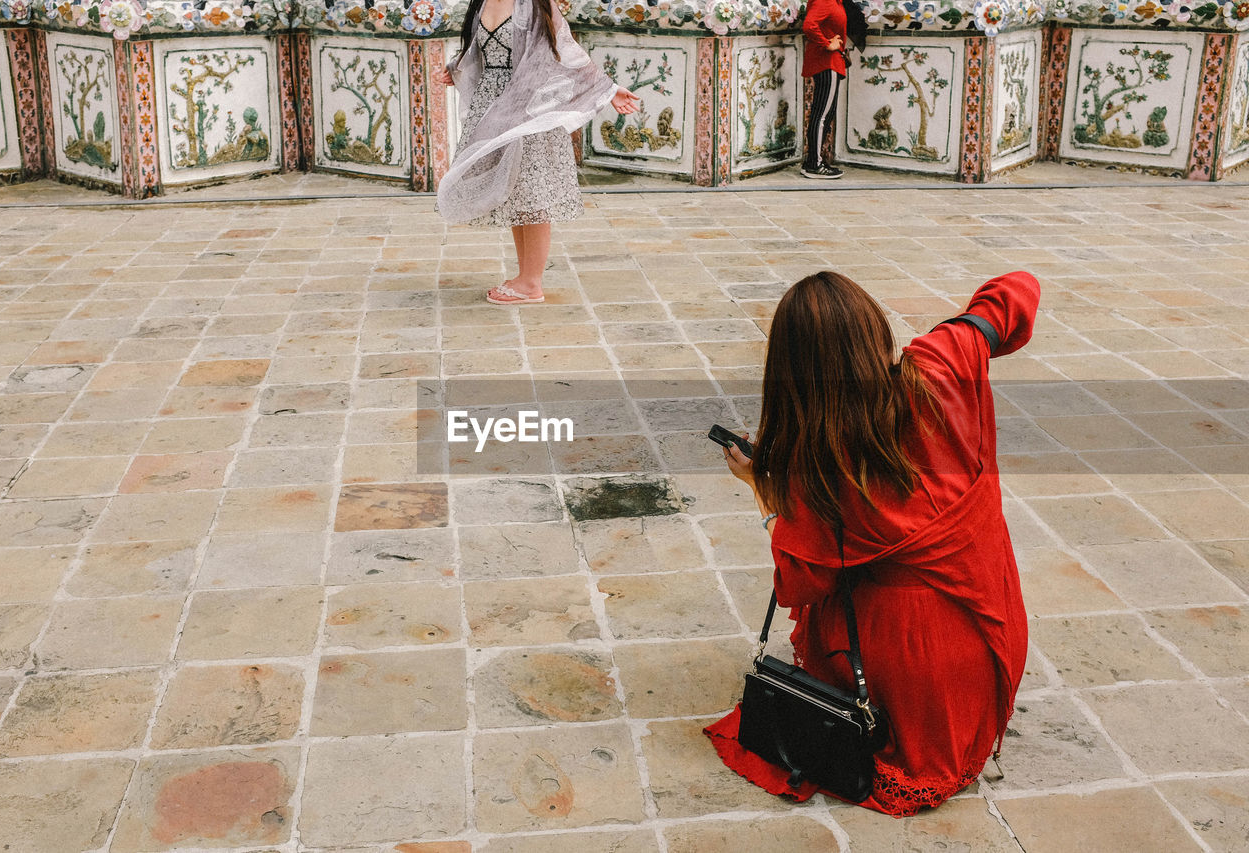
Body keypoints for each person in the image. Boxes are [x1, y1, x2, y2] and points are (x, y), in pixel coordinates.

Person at [705, 270, 1040, 816]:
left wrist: (765, 490)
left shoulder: (825, 466)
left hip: (915, 673)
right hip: (990, 634)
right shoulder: (943, 363)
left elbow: (796, 585)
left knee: (831, 601)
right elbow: (1017, 289)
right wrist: (962, 330)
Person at [434, 0, 639, 305]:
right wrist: (458, 68)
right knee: (517, 194)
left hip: (529, 110)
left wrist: (608, 89)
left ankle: (531, 283)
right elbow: (482, 53)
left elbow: (565, 53)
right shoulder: (482, 2)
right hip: (493, 110)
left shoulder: (533, 5)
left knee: (532, 196)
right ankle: (525, 277)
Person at [800, 0, 848, 179]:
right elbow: (809, 25)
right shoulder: (825, 0)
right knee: (821, 115)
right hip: (826, 63)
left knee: (825, 114)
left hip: (830, 62)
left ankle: (814, 161)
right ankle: (814, 164)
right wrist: (827, 44)